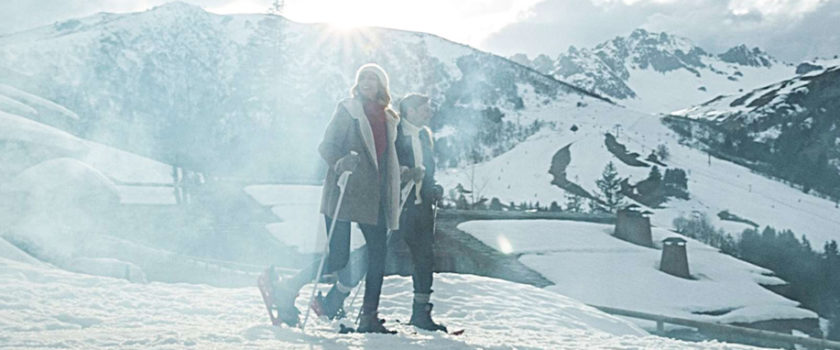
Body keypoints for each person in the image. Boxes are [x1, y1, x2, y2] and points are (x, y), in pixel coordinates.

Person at [272, 63, 402, 334]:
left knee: (378, 256)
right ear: (358, 83)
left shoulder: (390, 118)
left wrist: (403, 175)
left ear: (382, 85)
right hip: (346, 189)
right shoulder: (348, 110)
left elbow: (387, 158)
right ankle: (288, 287)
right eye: (363, 77)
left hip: (374, 195)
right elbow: (326, 146)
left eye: (373, 78)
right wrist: (341, 161)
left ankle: (369, 316)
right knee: (338, 258)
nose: (367, 82)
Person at [394, 93, 447, 332]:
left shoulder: (425, 135)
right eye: (425, 109)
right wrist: (405, 174)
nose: (429, 113)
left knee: (425, 259)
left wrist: (433, 187)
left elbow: (429, 171)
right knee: (376, 256)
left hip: (421, 207)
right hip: (398, 206)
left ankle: (421, 314)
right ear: (410, 111)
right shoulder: (395, 133)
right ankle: (337, 300)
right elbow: (388, 166)